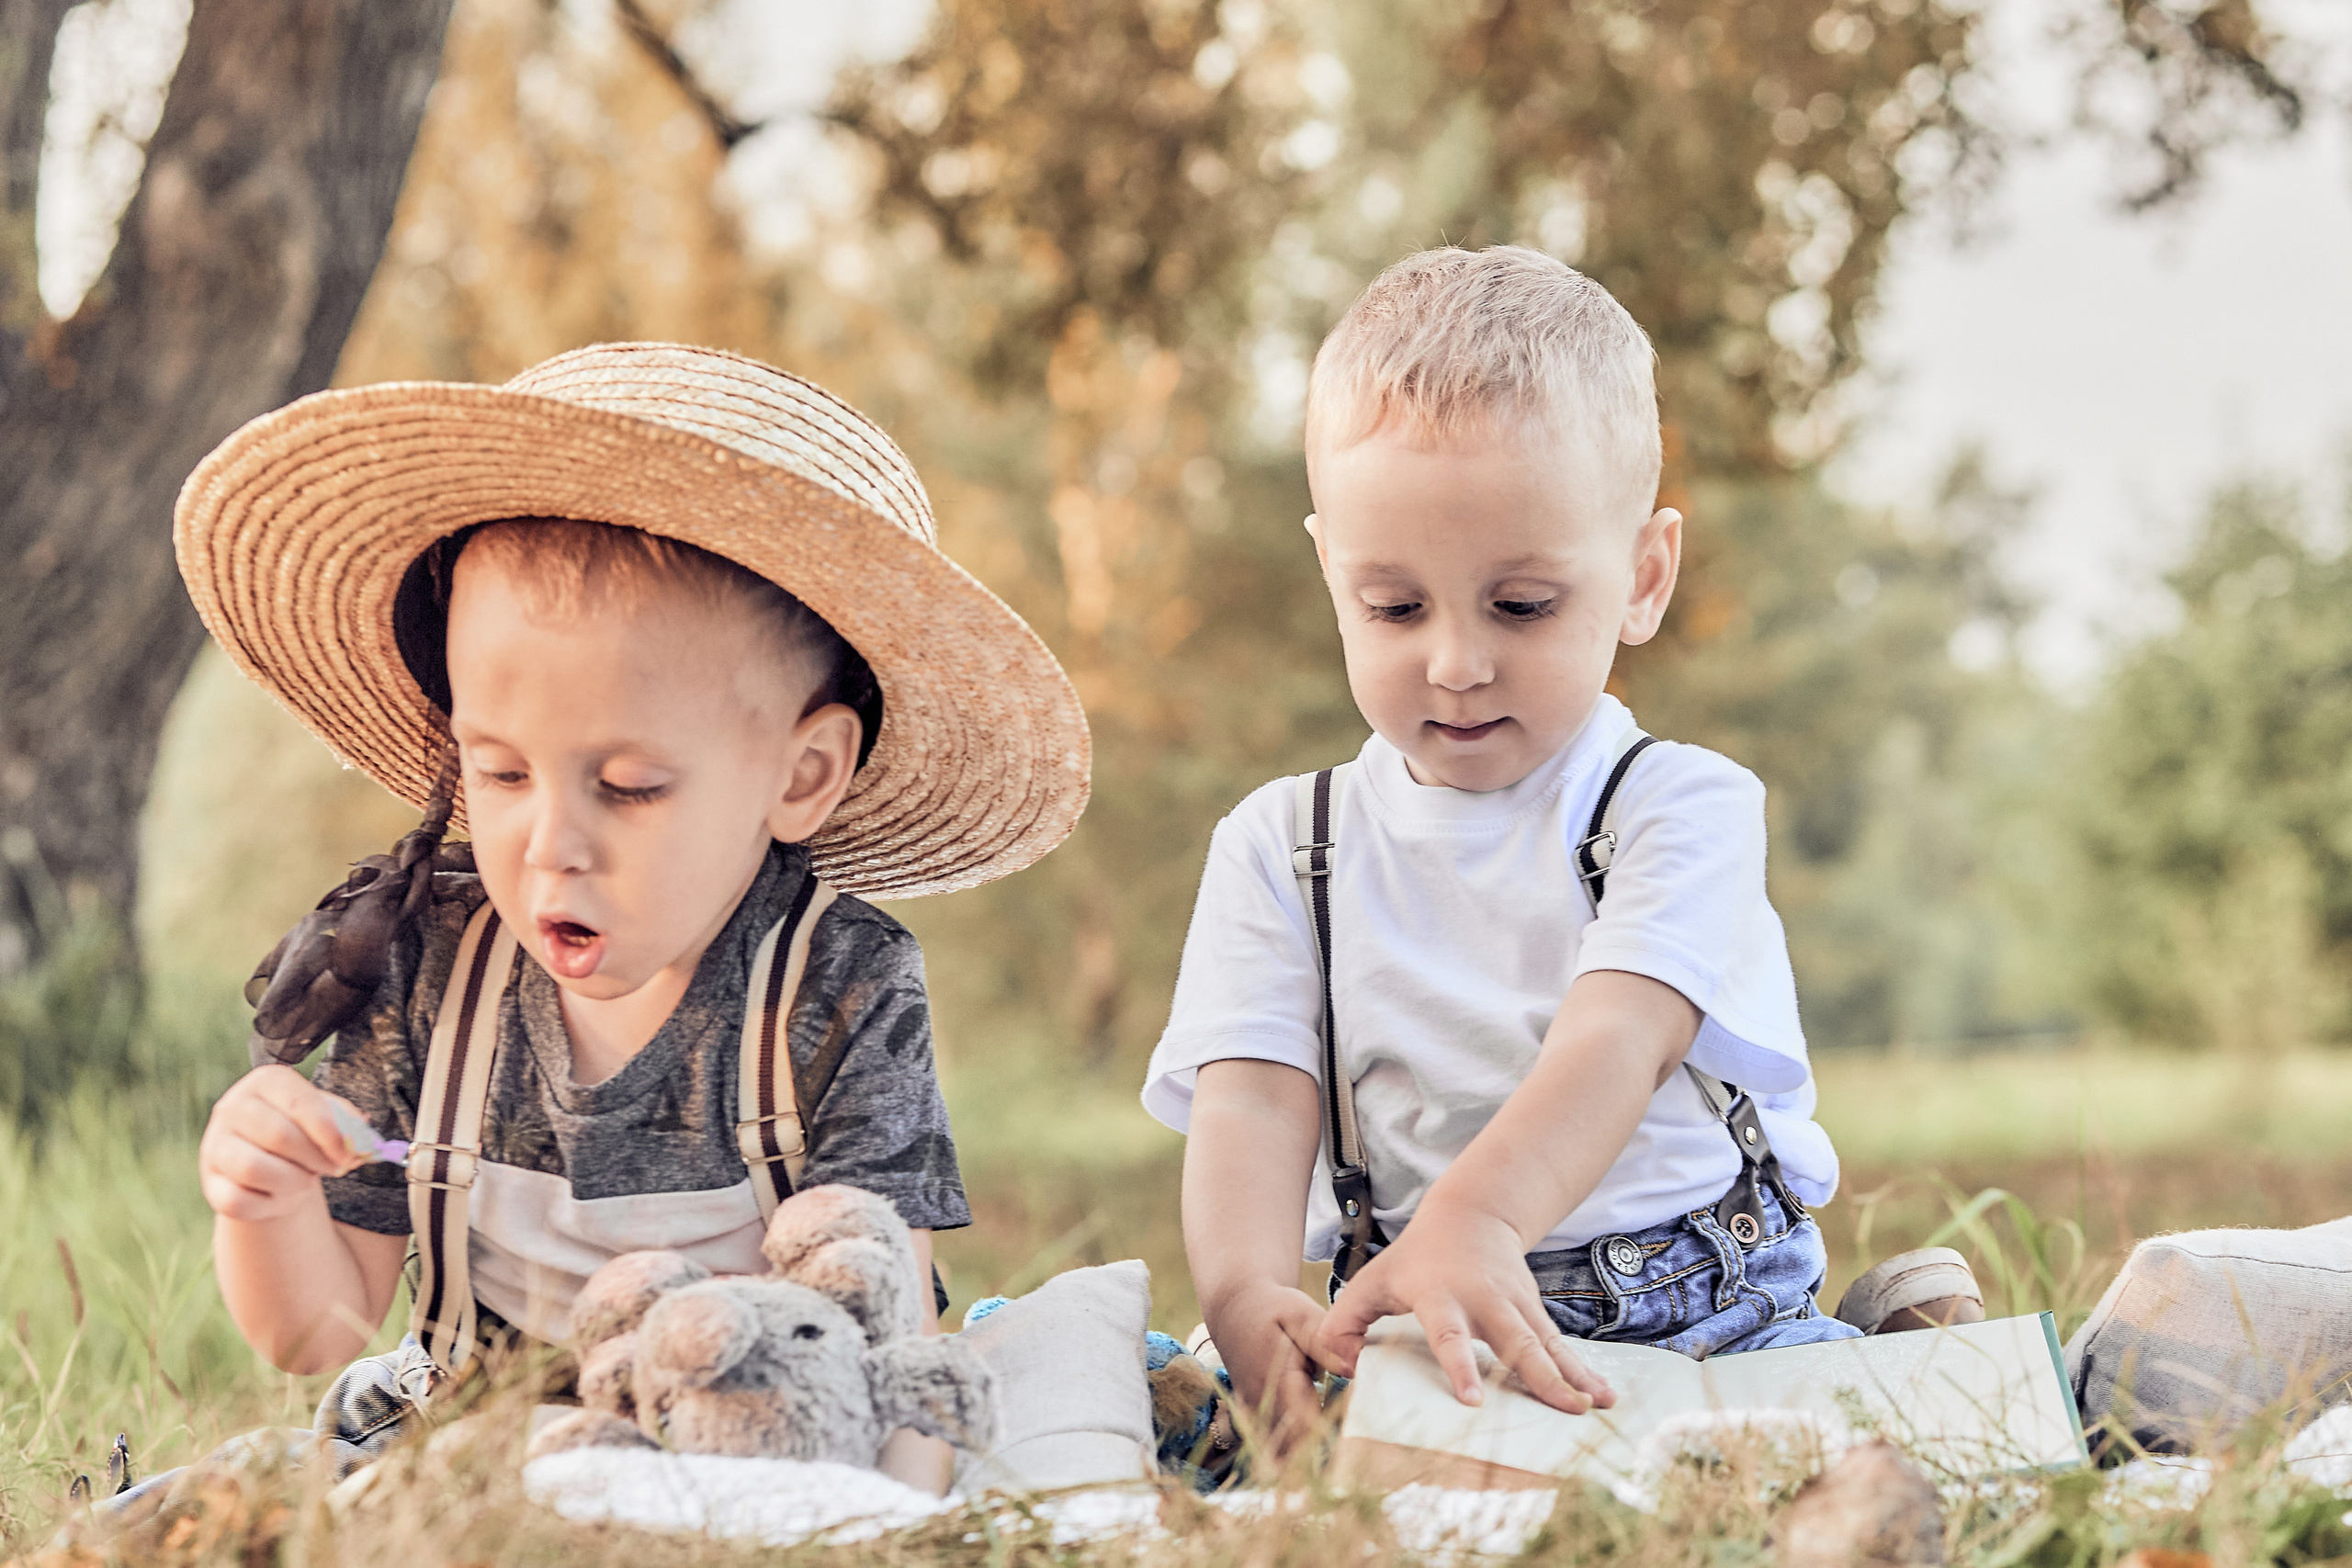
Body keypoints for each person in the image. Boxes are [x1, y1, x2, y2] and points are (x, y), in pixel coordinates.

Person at [178, 344, 1089, 1492]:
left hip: (749, 1472)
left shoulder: (837, 983)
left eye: (630, 787)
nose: (551, 841)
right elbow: (313, 1335)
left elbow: (880, 1321)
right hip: (478, 1476)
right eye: (501, 775)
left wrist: (887, 1523)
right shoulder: (429, 967)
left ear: (801, 776)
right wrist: (260, 1201)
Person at [1141, 246, 1864, 1450]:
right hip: (1424, 1328)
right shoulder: (1286, 843)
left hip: (1706, 1308)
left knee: (1823, 1468)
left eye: (1521, 605)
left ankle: (1900, 1331)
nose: (1457, 661)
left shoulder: (1677, 805)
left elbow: (1619, 1036)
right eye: (1395, 606)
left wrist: (1477, 1216)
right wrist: (1245, 1290)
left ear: (1641, 578)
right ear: (1332, 574)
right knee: (1244, 1460)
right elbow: (1257, 1100)